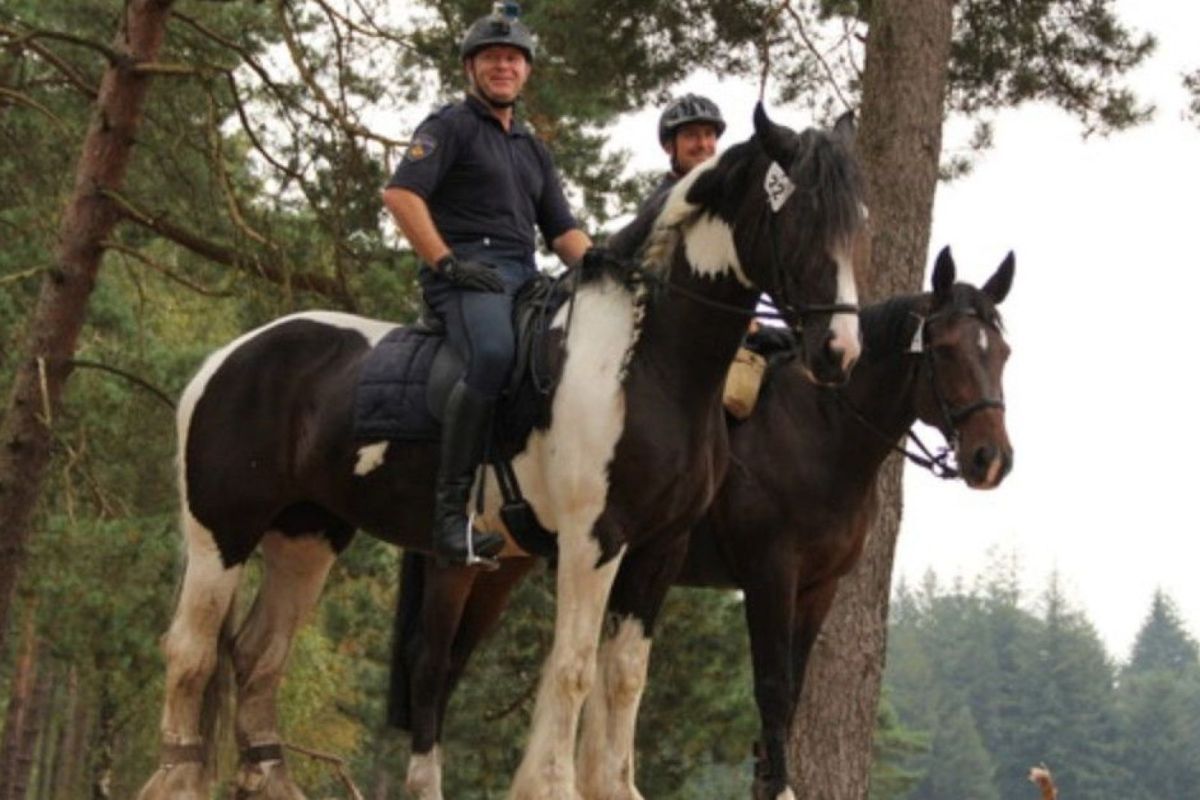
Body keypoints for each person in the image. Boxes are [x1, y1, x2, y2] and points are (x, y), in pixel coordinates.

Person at [382, 3, 592, 567]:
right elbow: (402, 195)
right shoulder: (448, 125)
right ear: (471, 68)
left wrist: (607, 272)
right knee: (495, 352)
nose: (504, 66)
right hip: (465, 274)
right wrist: (446, 263)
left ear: (526, 72)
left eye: (513, 59)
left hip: (524, 274)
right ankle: (451, 519)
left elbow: (563, 231)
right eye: (492, 58)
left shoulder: (531, 148)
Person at [606, 93, 725, 258]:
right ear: (669, 147)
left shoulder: (728, 192)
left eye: (709, 134)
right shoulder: (658, 206)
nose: (703, 144)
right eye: (691, 135)